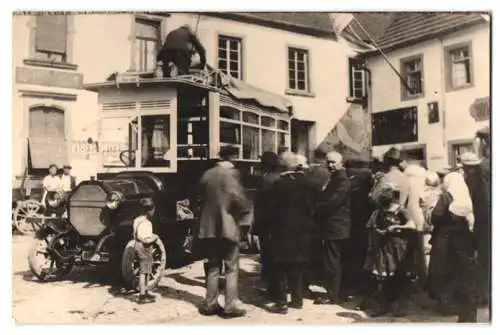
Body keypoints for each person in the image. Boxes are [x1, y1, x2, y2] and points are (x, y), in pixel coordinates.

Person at [194, 145, 250, 319]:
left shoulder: (208, 174)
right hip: (228, 227)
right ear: (232, 157)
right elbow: (239, 200)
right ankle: (230, 305)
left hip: (209, 227)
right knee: (231, 268)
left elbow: (199, 196)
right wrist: (245, 214)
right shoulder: (231, 175)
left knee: (212, 266)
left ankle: (210, 303)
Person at [265, 152, 318, 314]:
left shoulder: (279, 184)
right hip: (303, 229)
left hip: (283, 230)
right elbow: (316, 207)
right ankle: (297, 299)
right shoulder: (311, 183)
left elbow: (272, 210)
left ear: (284, 166)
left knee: (281, 266)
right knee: (298, 264)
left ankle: (281, 303)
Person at [430, 171, 480, 322]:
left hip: (445, 238)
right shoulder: (465, 196)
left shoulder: (446, 196)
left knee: (443, 270)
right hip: (463, 236)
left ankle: (446, 304)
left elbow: (436, 216)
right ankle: (460, 303)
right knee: (461, 271)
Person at [362, 183, 416, 317]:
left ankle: (398, 305)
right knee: (383, 276)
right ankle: (383, 305)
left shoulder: (400, 210)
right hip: (383, 245)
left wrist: (397, 228)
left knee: (399, 275)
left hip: (397, 246)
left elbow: (412, 224)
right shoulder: (379, 211)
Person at [313, 151, 351, 305]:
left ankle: (332, 295)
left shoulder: (342, 180)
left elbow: (332, 202)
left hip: (336, 226)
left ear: (341, 163)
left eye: (333, 162)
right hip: (335, 226)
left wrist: (315, 210)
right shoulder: (335, 178)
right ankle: (335, 293)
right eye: (328, 162)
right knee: (333, 260)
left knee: (332, 261)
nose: (330, 165)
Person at [461, 151, 491, 309]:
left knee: (483, 260)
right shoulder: (482, 178)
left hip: (482, 225)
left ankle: (484, 294)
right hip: (484, 224)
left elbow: (480, 205)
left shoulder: (475, 181)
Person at [252, 151, 281, 296]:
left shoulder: (265, 180)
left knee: (268, 255)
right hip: (279, 223)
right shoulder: (280, 178)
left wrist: (255, 227)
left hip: (266, 224)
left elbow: (260, 205)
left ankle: (271, 287)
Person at [133, 198, 159, 304]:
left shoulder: (136, 220)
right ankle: (142, 295)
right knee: (144, 272)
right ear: (150, 210)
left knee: (147, 270)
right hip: (144, 247)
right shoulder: (147, 223)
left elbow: (135, 234)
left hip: (137, 245)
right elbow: (145, 239)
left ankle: (145, 291)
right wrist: (155, 237)